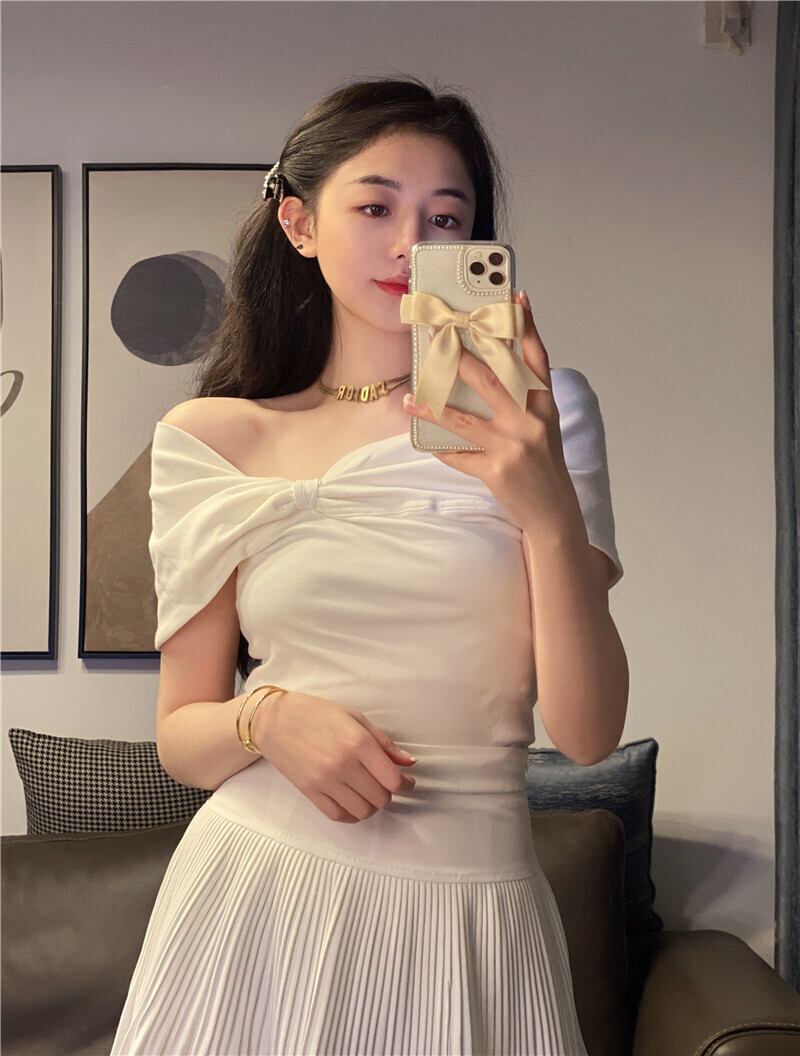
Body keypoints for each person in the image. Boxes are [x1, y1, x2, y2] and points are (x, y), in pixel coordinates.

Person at [111, 74, 626, 1056]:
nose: (409, 244)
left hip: (470, 913)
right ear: (300, 224)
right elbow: (182, 735)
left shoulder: (543, 412)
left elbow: (588, 730)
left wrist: (547, 509)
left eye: (445, 217)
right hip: (258, 895)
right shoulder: (213, 436)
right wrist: (267, 718)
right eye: (376, 207)